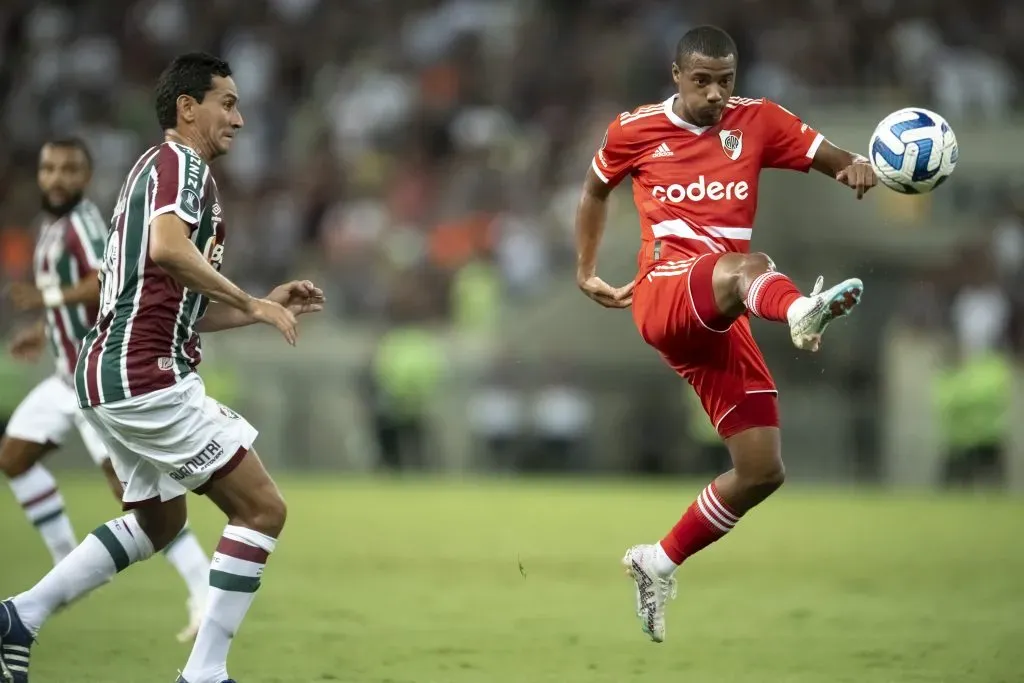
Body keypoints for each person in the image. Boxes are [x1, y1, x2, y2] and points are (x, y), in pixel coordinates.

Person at [0, 52, 323, 683]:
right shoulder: (180, 163)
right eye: (227, 103)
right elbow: (168, 250)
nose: (240, 117)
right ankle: (205, 674)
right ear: (187, 107)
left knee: (159, 519)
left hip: (111, 371)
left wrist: (258, 308)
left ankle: (20, 616)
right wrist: (250, 298)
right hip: (142, 372)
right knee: (261, 509)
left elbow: (183, 306)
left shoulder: (163, 171)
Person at [574, 26, 875, 643]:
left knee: (762, 470)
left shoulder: (758, 121)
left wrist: (861, 168)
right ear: (677, 75)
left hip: (720, 313)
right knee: (751, 266)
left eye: (726, 80)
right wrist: (586, 270)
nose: (715, 93)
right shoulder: (632, 130)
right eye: (703, 80)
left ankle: (656, 561)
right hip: (664, 292)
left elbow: (834, 158)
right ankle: (799, 314)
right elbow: (594, 191)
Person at [2, 138, 212, 643]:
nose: (56, 178)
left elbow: (108, 283)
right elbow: (77, 303)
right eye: (49, 167)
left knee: (142, 503)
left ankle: (201, 586)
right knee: (13, 456)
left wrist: (49, 298)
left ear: (87, 177)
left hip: (99, 379)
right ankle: (63, 563)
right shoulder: (50, 226)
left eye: (69, 169)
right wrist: (47, 325)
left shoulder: (85, 226)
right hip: (64, 375)